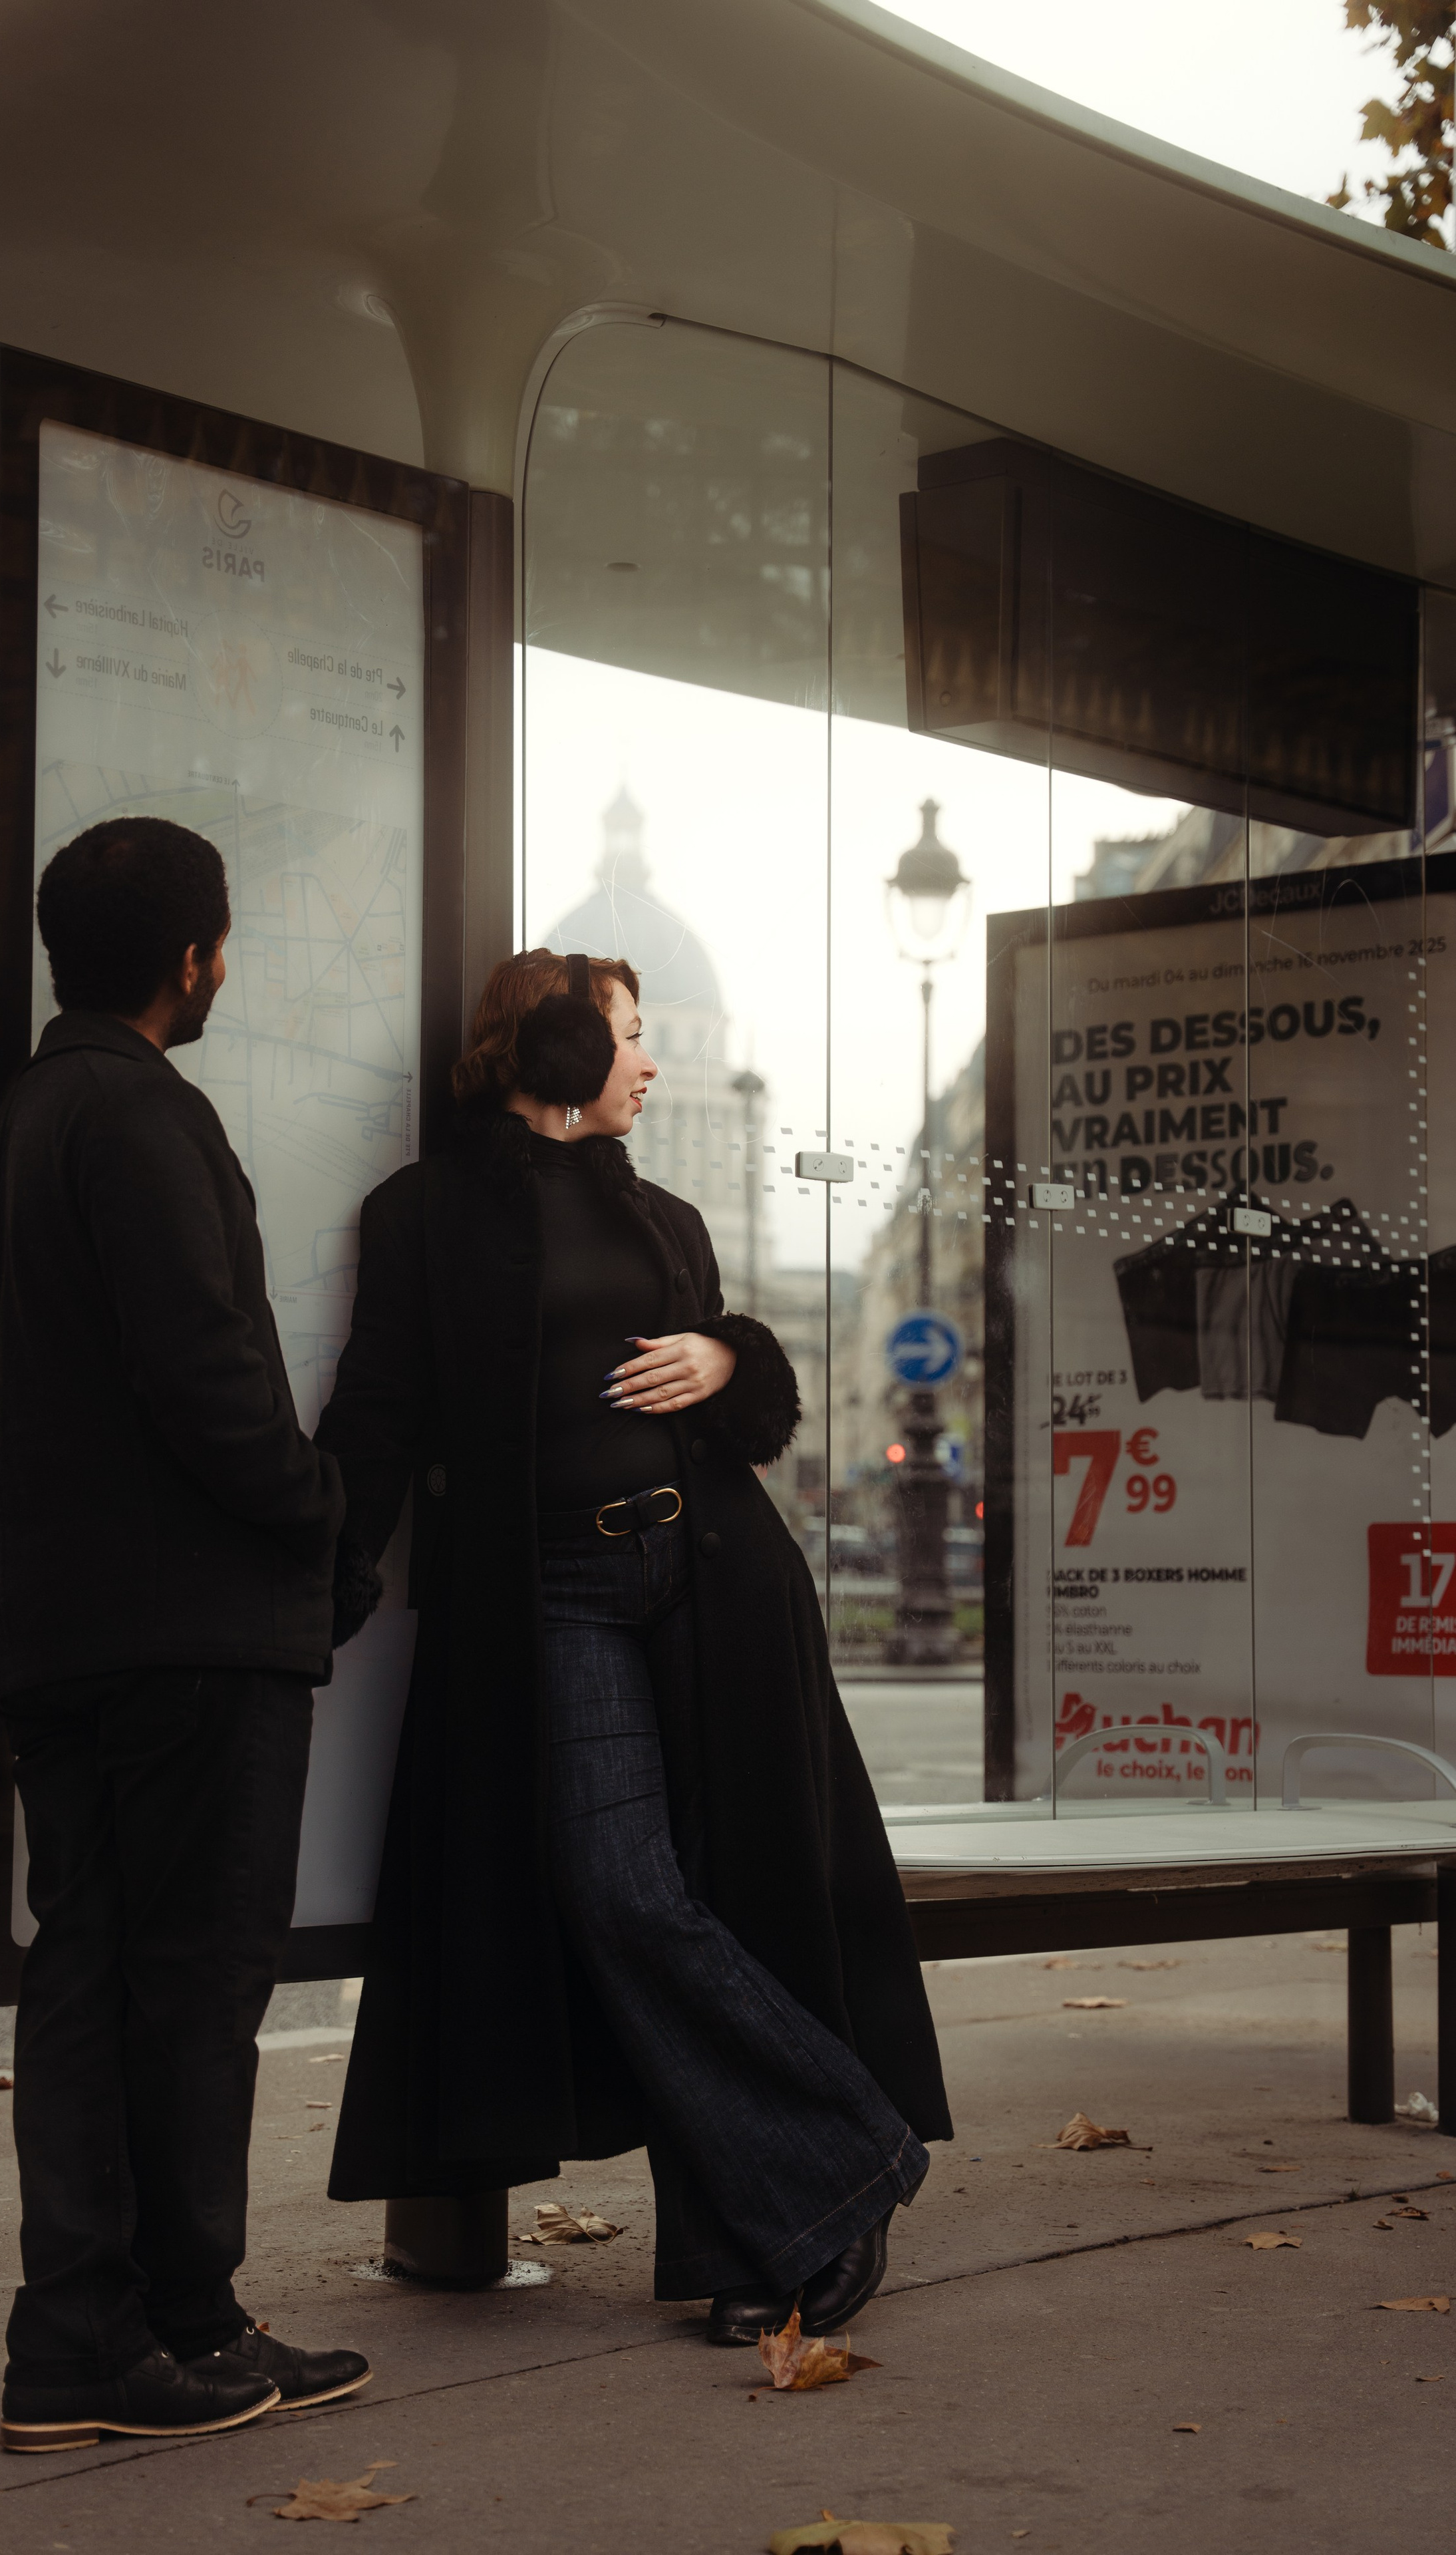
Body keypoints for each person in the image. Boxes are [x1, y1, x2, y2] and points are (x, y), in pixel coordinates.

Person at [317, 948, 950, 2343]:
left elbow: (727, 1371)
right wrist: (306, 1581)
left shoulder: (662, 1215)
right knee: (625, 1892)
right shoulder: (426, 1213)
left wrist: (733, 1361)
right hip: (553, 1593)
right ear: (550, 1042)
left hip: (712, 1580)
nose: (651, 1062)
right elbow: (375, 1418)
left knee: (732, 1894)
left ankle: (752, 2240)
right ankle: (844, 2151)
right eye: (625, 1034)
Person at [0, 817, 371, 2453]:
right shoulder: (146, 1117)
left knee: (100, 1971)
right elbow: (209, 1375)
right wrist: (318, 1505)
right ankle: (124, 2329)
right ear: (196, 957)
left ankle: (141, 2323)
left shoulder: (11, 1136)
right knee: (191, 1987)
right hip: (191, 1633)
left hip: (60, 1631)